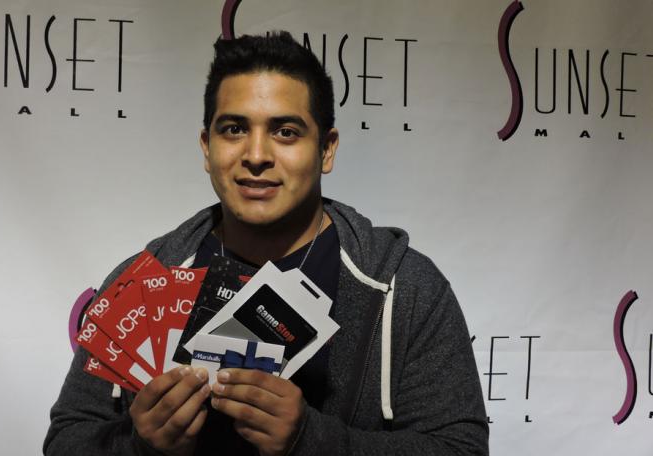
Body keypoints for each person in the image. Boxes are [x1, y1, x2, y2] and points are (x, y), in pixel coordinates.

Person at [44, 31, 488, 456]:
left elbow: (461, 449)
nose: (256, 155)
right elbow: (66, 439)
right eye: (234, 129)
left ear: (327, 149)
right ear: (206, 147)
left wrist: (310, 441)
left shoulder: (404, 288)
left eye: (286, 131)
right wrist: (141, 447)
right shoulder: (145, 278)